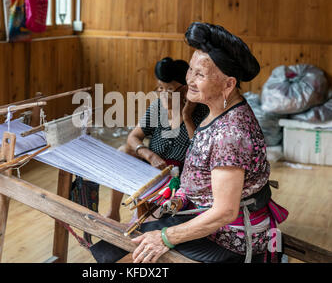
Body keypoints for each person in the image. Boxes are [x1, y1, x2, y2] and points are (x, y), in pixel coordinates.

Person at [91, 22, 288, 263]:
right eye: (191, 71)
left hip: (229, 237)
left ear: (228, 84)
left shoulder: (231, 134)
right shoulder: (214, 112)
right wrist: (180, 197)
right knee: (112, 246)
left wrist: (165, 236)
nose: (190, 81)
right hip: (206, 218)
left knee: (119, 258)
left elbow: (225, 212)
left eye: (200, 75)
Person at [105, 57, 209, 222]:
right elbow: (133, 137)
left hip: (179, 181)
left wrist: (186, 116)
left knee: (146, 225)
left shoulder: (201, 112)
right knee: (123, 152)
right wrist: (149, 155)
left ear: (185, 89)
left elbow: (200, 151)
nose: (163, 95)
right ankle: (113, 212)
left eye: (169, 90)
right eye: (160, 88)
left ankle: (150, 214)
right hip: (153, 171)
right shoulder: (157, 107)